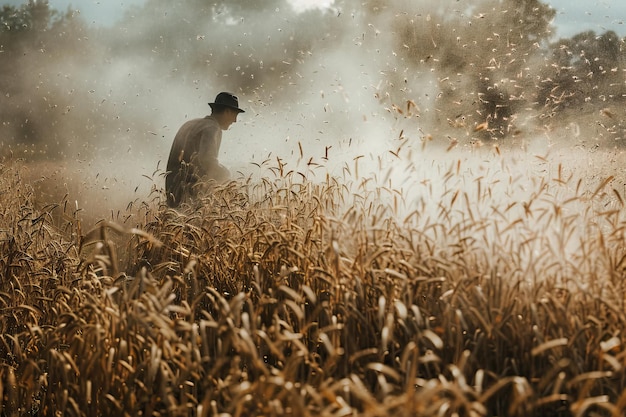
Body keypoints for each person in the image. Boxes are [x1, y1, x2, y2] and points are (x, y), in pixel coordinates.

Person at [165, 92, 244, 208]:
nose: (235, 121)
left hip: (173, 190)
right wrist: (227, 177)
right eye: (235, 115)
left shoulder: (189, 124)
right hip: (192, 193)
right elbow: (207, 160)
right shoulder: (212, 128)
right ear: (227, 111)